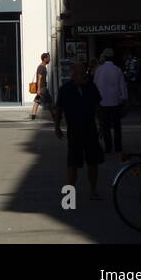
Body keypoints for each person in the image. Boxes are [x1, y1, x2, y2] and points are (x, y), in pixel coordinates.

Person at [53, 62, 104, 199]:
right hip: (74, 131)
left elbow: (97, 107)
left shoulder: (91, 87)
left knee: (93, 162)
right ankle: (69, 196)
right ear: (73, 74)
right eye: (82, 73)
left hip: (90, 129)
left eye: (85, 73)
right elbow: (59, 109)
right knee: (72, 163)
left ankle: (93, 191)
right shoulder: (65, 89)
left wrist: (102, 124)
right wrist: (57, 127)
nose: (85, 76)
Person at [94, 48, 128, 156]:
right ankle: (118, 146)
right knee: (117, 125)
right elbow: (122, 85)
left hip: (102, 102)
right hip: (115, 101)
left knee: (105, 126)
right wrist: (124, 98)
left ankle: (108, 147)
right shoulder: (117, 70)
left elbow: (95, 85)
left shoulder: (99, 70)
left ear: (104, 57)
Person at [30, 52, 51, 120]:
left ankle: (33, 115)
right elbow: (39, 78)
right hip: (42, 88)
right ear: (45, 59)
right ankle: (56, 116)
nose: (49, 59)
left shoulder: (43, 67)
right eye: (48, 58)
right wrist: (38, 89)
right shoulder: (41, 67)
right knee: (51, 102)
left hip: (42, 88)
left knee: (37, 101)